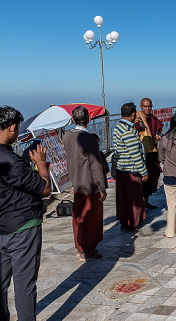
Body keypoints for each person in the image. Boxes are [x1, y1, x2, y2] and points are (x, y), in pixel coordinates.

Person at [0, 106, 52, 321]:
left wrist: (23, 164)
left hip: (0, 226)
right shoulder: (11, 161)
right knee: (25, 283)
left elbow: (6, 182)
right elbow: (44, 189)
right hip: (24, 225)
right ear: (13, 127)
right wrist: (41, 164)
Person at [64, 106, 107, 262]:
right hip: (89, 185)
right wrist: (101, 187)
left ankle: (80, 246)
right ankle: (86, 250)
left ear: (74, 119)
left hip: (77, 182)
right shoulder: (88, 139)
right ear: (88, 119)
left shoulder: (67, 136)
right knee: (90, 219)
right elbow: (95, 165)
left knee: (79, 217)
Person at [112, 102, 149, 230]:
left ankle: (126, 220)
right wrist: (143, 171)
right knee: (133, 198)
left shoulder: (118, 127)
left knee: (124, 197)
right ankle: (131, 222)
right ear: (133, 114)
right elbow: (135, 154)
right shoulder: (128, 130)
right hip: (130, 169)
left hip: (121, 167)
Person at [136, 98, 163, 209]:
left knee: (152, 177)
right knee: (141, 179)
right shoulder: (137, 118)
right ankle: (139, 202)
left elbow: (158, 127)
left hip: (151, 152)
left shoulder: (152, 118)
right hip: (140, 153)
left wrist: (157, 135)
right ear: (140, 107)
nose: (147, 109)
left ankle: (146, 200)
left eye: (149, 107)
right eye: (145, 107)